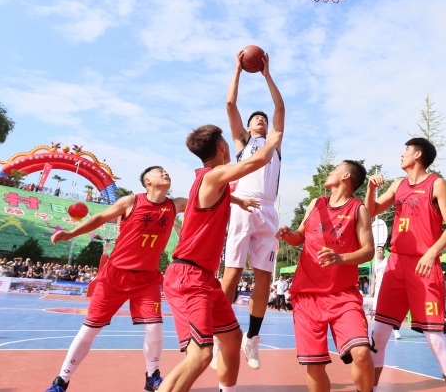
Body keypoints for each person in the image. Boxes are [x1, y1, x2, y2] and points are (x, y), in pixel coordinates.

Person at [44, 166, 191, 392]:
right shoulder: (131, 201)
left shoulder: (176, 204)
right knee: (89, 330)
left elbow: (206, 199)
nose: (166, 173)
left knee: (155, 328)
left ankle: (152, 377)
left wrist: (236, 199)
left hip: (147, 279)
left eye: (166, 171)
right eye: (159, 171)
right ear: (147, 181)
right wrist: (72, 233)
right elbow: (99, 217)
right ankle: (61, 381)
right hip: (115, 276)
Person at [161, 124, 281, 392]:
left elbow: (224, 194)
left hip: (205, 279)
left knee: (232, 338)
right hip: (188, 277)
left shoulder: (213, 182)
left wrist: (240, 202)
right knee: (201, 355)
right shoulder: (213, 175)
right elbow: (256, 161)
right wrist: (272, 142)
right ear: (223, 147)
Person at [365, 138, 446, 392]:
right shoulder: (398, 185)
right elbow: (371, 211)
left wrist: (432, 253)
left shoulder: (437, 184)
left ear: (418, 154)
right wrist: (370, 189)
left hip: (423, 266)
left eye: (406, 150)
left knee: (435, 341)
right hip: (396, 264)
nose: (402, 154)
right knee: (378, 335)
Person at [276, 160, 375, 392]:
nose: (329, 172)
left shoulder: (358, 209)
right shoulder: (315, 204)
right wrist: (288, 235)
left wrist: (341, 258)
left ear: (346, 176)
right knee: (315, 365)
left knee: (361, 352)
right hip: (307, 297)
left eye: (335, 169)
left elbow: (369, 250)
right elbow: (300, 236)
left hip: (343, 295)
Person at [217, 49, 285, 371]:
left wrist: (267, 74)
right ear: (246, 127)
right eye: (256, 118)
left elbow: (280, 108)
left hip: (268, 212)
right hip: (243, 206)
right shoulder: (243, 143)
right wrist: (238, 70)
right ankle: (219, 335)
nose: (262, 119)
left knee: (264, 277)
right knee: (231, 274)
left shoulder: (274, 143)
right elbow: (230, 104)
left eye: (264, 119)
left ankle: (252, 338)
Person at [370, 246, 401, 340]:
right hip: (378, 287)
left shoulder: (387, 260)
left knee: (390, 308)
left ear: (384, 252)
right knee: (377, 310)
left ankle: (395, 330)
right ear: (376, 252)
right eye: (378, 250)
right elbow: (374, 276)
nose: (379, 252)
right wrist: (373, 289)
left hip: (387, 286)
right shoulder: (375, 263)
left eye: (381, 250)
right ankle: (378, 331)